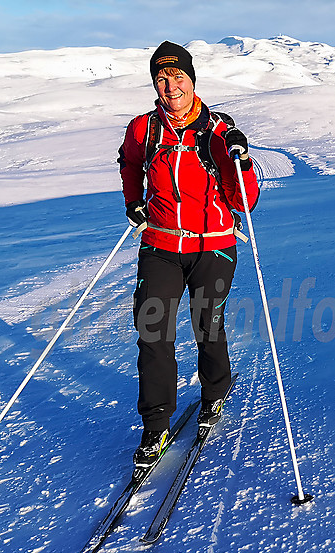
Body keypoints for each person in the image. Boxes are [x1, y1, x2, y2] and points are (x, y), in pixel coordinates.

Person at [117, 41, 260, 467]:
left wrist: (242, 159)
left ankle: (215, 390)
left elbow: (245, 202)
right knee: (152, 331)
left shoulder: (218, 131)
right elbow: (129, 164)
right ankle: (155, 426)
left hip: (213, 244)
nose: (170, 84)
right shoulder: (143, 128)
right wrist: (133, 202)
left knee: (207, 323)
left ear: (192, 79)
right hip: (161, 245)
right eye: (161, 77)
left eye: (178, 76)